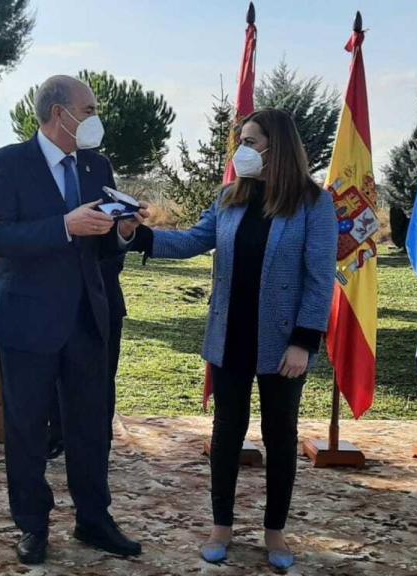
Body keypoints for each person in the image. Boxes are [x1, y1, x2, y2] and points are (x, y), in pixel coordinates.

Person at [127, 109, 337, 570]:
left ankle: (275, 533)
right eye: (240, 140)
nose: (243, 149)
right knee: (227, 434)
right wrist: (136, 235)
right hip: (229, 338)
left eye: (253, 140)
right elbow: (189, 242)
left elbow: (320, 279)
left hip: (284, 345)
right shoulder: (229, 198)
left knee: (280, 436)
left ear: (278, 146)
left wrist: (304, 341)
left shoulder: (313, 204)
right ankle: (221, 525)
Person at [0, 75, 144, 565]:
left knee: (91, 426)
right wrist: (63, 226)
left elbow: (104, 249)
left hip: (89, 319)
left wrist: (123, 232)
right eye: (88, 108)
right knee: (28, 428)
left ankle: (94, 519)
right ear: (58, 112)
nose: (95, 117)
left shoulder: (98, 164)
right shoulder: (6, 163)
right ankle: (32, 525)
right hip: (27, 321)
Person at [46, 251, 126, 459]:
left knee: (102, 376)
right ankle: (57, 434)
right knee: (53, 372)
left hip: (102, 300)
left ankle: (100, 440)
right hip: (53, 301)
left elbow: (115, 249)